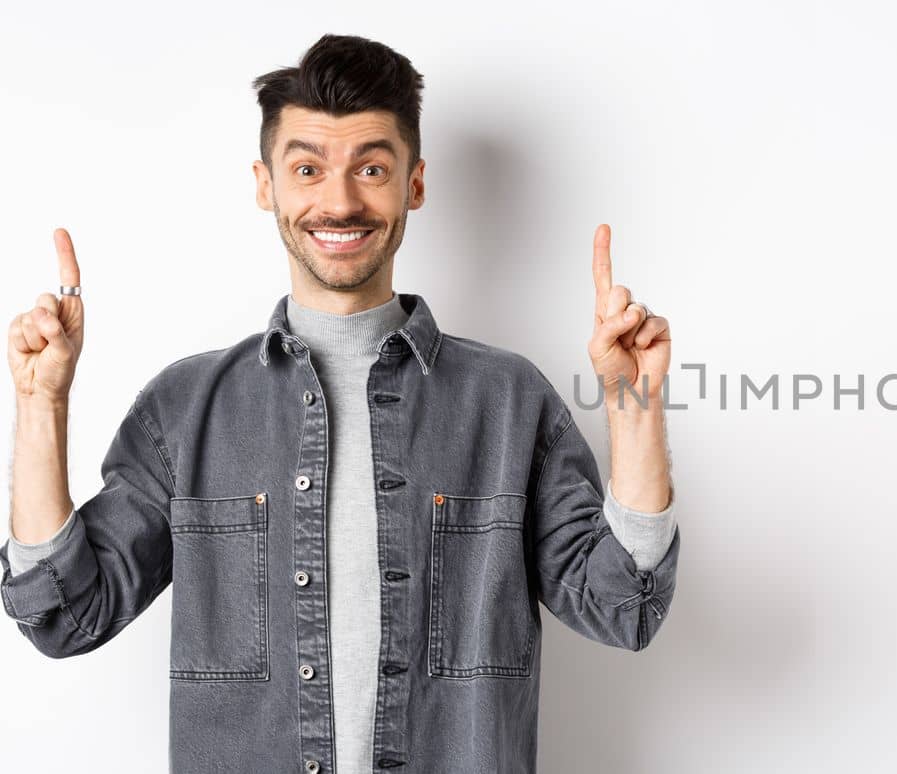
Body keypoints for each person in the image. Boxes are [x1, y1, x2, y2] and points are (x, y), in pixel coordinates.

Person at [1, 33, 682, 773]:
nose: (339, 200)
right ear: (266, 185)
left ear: (413, 184)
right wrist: (41, 405)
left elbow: (625, 608)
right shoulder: (184, 410)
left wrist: (635, 405)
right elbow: (65, 616)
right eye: (307, 168)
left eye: (371, 168)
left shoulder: (510, 403)